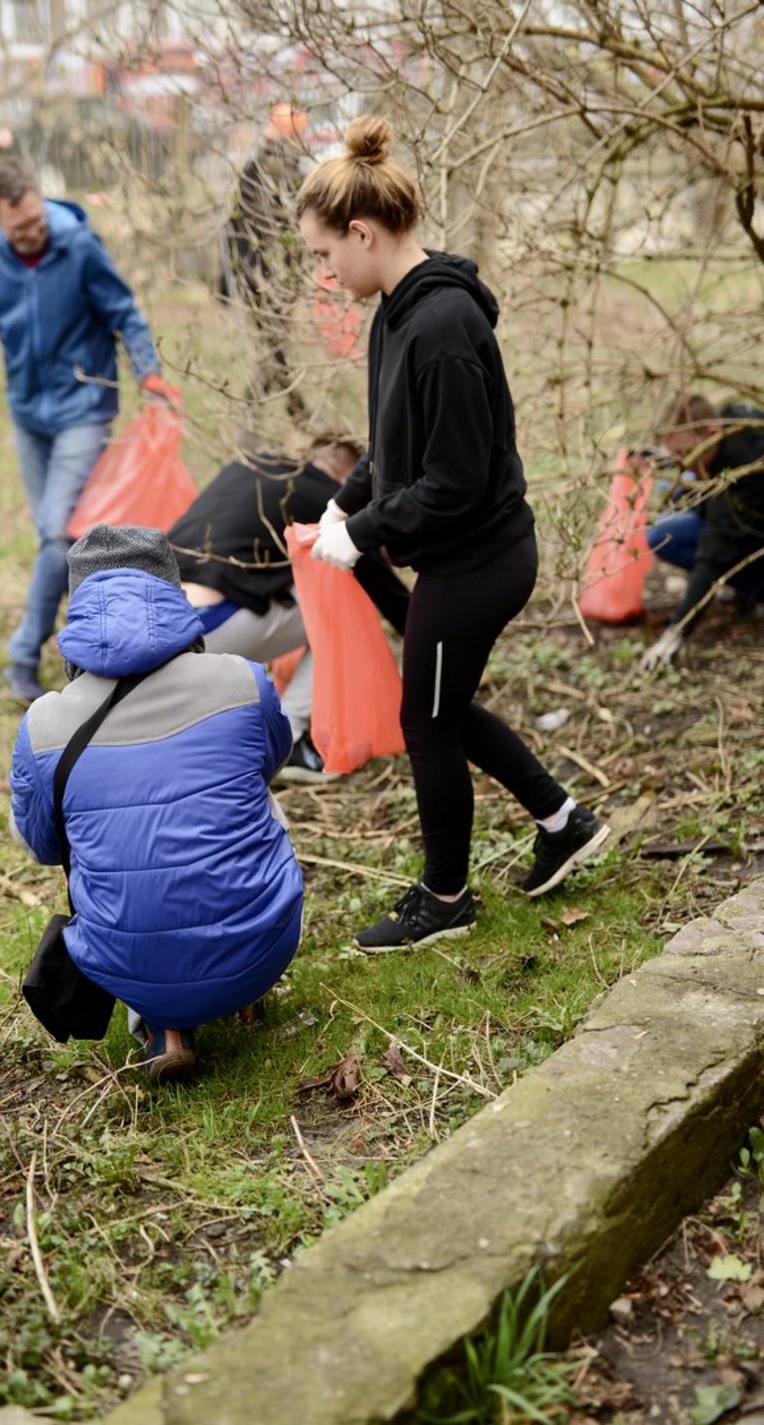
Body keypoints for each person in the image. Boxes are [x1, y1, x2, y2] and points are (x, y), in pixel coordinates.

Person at [295, 116, 610, 952]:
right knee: (441, 701)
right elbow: (395, 442)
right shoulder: (395, 312)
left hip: (480, 561)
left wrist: (363, 531)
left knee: (425, 719)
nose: (324, 273)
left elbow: (455, 481)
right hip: (455, 552)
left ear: (363, 232)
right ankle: (563, 819)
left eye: (326, 254)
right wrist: (344, 501)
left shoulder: (441, 331)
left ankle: (444, 900)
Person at [9, 524, 304, 1083]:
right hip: (263, 946)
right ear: (172, 590)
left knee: (86, 837)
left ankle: (163, 1026)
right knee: (253, 794)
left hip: (126, 967)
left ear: (78, 609)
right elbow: (273, 758)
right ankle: (245, 980)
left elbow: (42, 847)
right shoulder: (242, 680)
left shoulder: (44, 722)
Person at [0, 156, 175, 706]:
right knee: (62, 541)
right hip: (29, 416)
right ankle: (92, 651)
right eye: (19, 226)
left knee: (57, 534)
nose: (33, 230)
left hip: (84, 406)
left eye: (36, 217)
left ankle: (23, 656)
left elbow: (125, 313)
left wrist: (150, 372)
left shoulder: (78, 246)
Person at [168, 432, 411, 782]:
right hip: (208, 628)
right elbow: (386, 591)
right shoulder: (326, 499)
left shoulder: (250, 465)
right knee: (344, 599)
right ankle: (290, 740)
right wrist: (432, 645)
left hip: (158, 621)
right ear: (348, 480)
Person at [640, 394, 764, 669]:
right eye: (676, 453)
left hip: (753, 537)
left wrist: (675, 633)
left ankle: (755, 589)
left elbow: (713, 554)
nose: (684, 462)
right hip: (744, 527)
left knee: (666, 536)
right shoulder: (730, 420)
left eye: (686, 453)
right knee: (665, 516)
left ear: (711, 432)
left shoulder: (743, 474)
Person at [224, 102, 310, 424]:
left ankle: (262, 409)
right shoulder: (268, 172)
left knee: (272, 346)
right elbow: (242, 229)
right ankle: (295, 411)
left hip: (274, 277)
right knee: (273, 346)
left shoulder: (268, 170)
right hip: (267, 278)